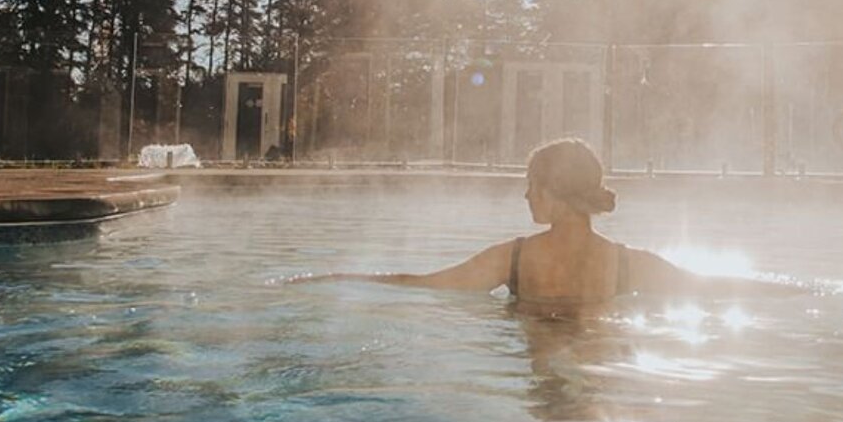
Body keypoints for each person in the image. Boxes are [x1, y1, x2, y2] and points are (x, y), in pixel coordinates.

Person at [291, 138, 808, 310]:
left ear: (553, 194)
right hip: (609, 365)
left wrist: (338, 278)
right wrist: (804, 287)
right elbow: (713, 288)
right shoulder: (629, 265)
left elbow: (427, 285)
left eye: (531, 184)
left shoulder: (511, 259)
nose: (523, 194)